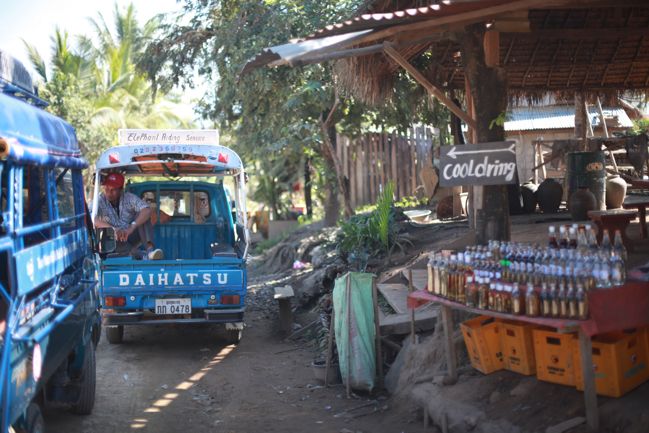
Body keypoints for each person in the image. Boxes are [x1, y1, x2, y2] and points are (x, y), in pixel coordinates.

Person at [94, 173, 164, 260]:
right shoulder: (99, 200)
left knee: (143, 215)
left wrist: (131, 227)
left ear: (120, 190)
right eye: (107, 189)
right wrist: (113, 229)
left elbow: (147, 210)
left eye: (113, 190)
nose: (109, 193)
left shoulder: (129, 197)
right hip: (114, 239)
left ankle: (150, 250)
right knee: (119, 244)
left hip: (130, 234)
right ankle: (142, 255)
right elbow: (92, 219)